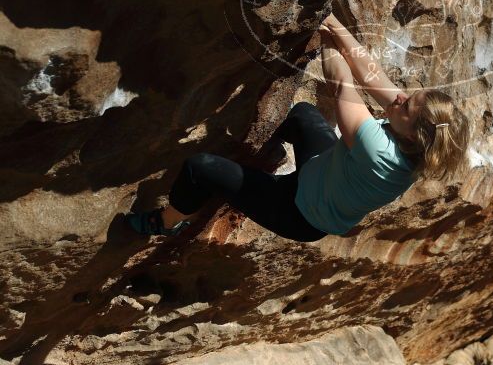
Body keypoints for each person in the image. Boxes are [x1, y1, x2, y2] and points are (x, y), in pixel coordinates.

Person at [125, 13, 470, 241]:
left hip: (299, 212)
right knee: (303, 114)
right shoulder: (416, 142)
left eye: (407, 105)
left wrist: (326, 34)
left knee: (198, 168)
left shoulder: (378, 152)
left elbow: (341, 85)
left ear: (412, 133)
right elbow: (372, 73)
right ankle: (257, 162)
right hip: (323, 174)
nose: (400, 98)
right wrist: (331, 21)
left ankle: (167, 222)